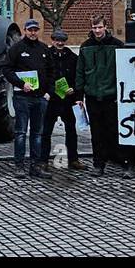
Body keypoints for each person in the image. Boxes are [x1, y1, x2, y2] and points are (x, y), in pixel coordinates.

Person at [75, 16, 130, 178]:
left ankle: (125, 163)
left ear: (106, 27)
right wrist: (79, 95)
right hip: (92, 96)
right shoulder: (85, 47)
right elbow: (80, 72)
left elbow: (124, 71)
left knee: (116, 132)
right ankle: (99, 165)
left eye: (100, 27)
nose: (97, 30)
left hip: (111, 96)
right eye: (94, 27)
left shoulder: (117, 45)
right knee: (97, 134)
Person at [5, 18, 50, 178]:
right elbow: (7, 70)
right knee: (21, 132)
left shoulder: (44, 49)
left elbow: (50, 72)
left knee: (38, 134)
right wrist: (21, 83)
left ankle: (36, 166)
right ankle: (19, 166)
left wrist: (48, 92)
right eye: (30, 30)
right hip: (22, 97)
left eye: (35, 30)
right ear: (25, 30)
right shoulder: (16, 49)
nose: (33, 33)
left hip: (40, 98)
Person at [42, 29, 84, 170]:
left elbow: (78, 76)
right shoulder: (46, 56)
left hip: (68, 99)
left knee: (71, 130)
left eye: (62, 41)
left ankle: (73, 159)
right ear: (52, 41)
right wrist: (48, 91)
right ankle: (43, 160)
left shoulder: (72, 57)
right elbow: (44, 76)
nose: (59, 43)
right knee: (46, 131)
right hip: (52, 99)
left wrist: (76, 92)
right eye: (57, 40)